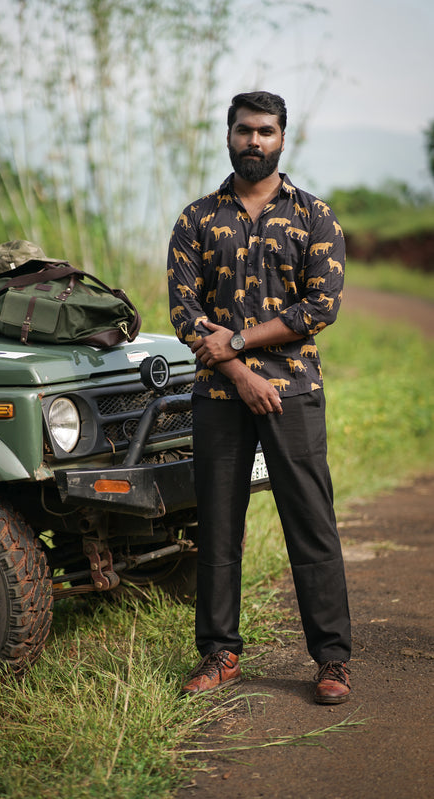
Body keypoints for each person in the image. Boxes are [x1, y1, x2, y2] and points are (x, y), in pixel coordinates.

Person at [167, 90, 351, 704]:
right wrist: (241, 373)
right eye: (244, 130)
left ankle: (331, 661)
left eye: (266, 131)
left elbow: (320, 306)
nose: (254, 141)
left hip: (294, 390)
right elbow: (184, 312)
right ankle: (219, 654)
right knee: (219, 528)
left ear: (281, 138)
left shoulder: (314, 217)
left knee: (311, 524)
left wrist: (240, 342)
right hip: (220, 397)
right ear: (228, 136)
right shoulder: (196, 219)